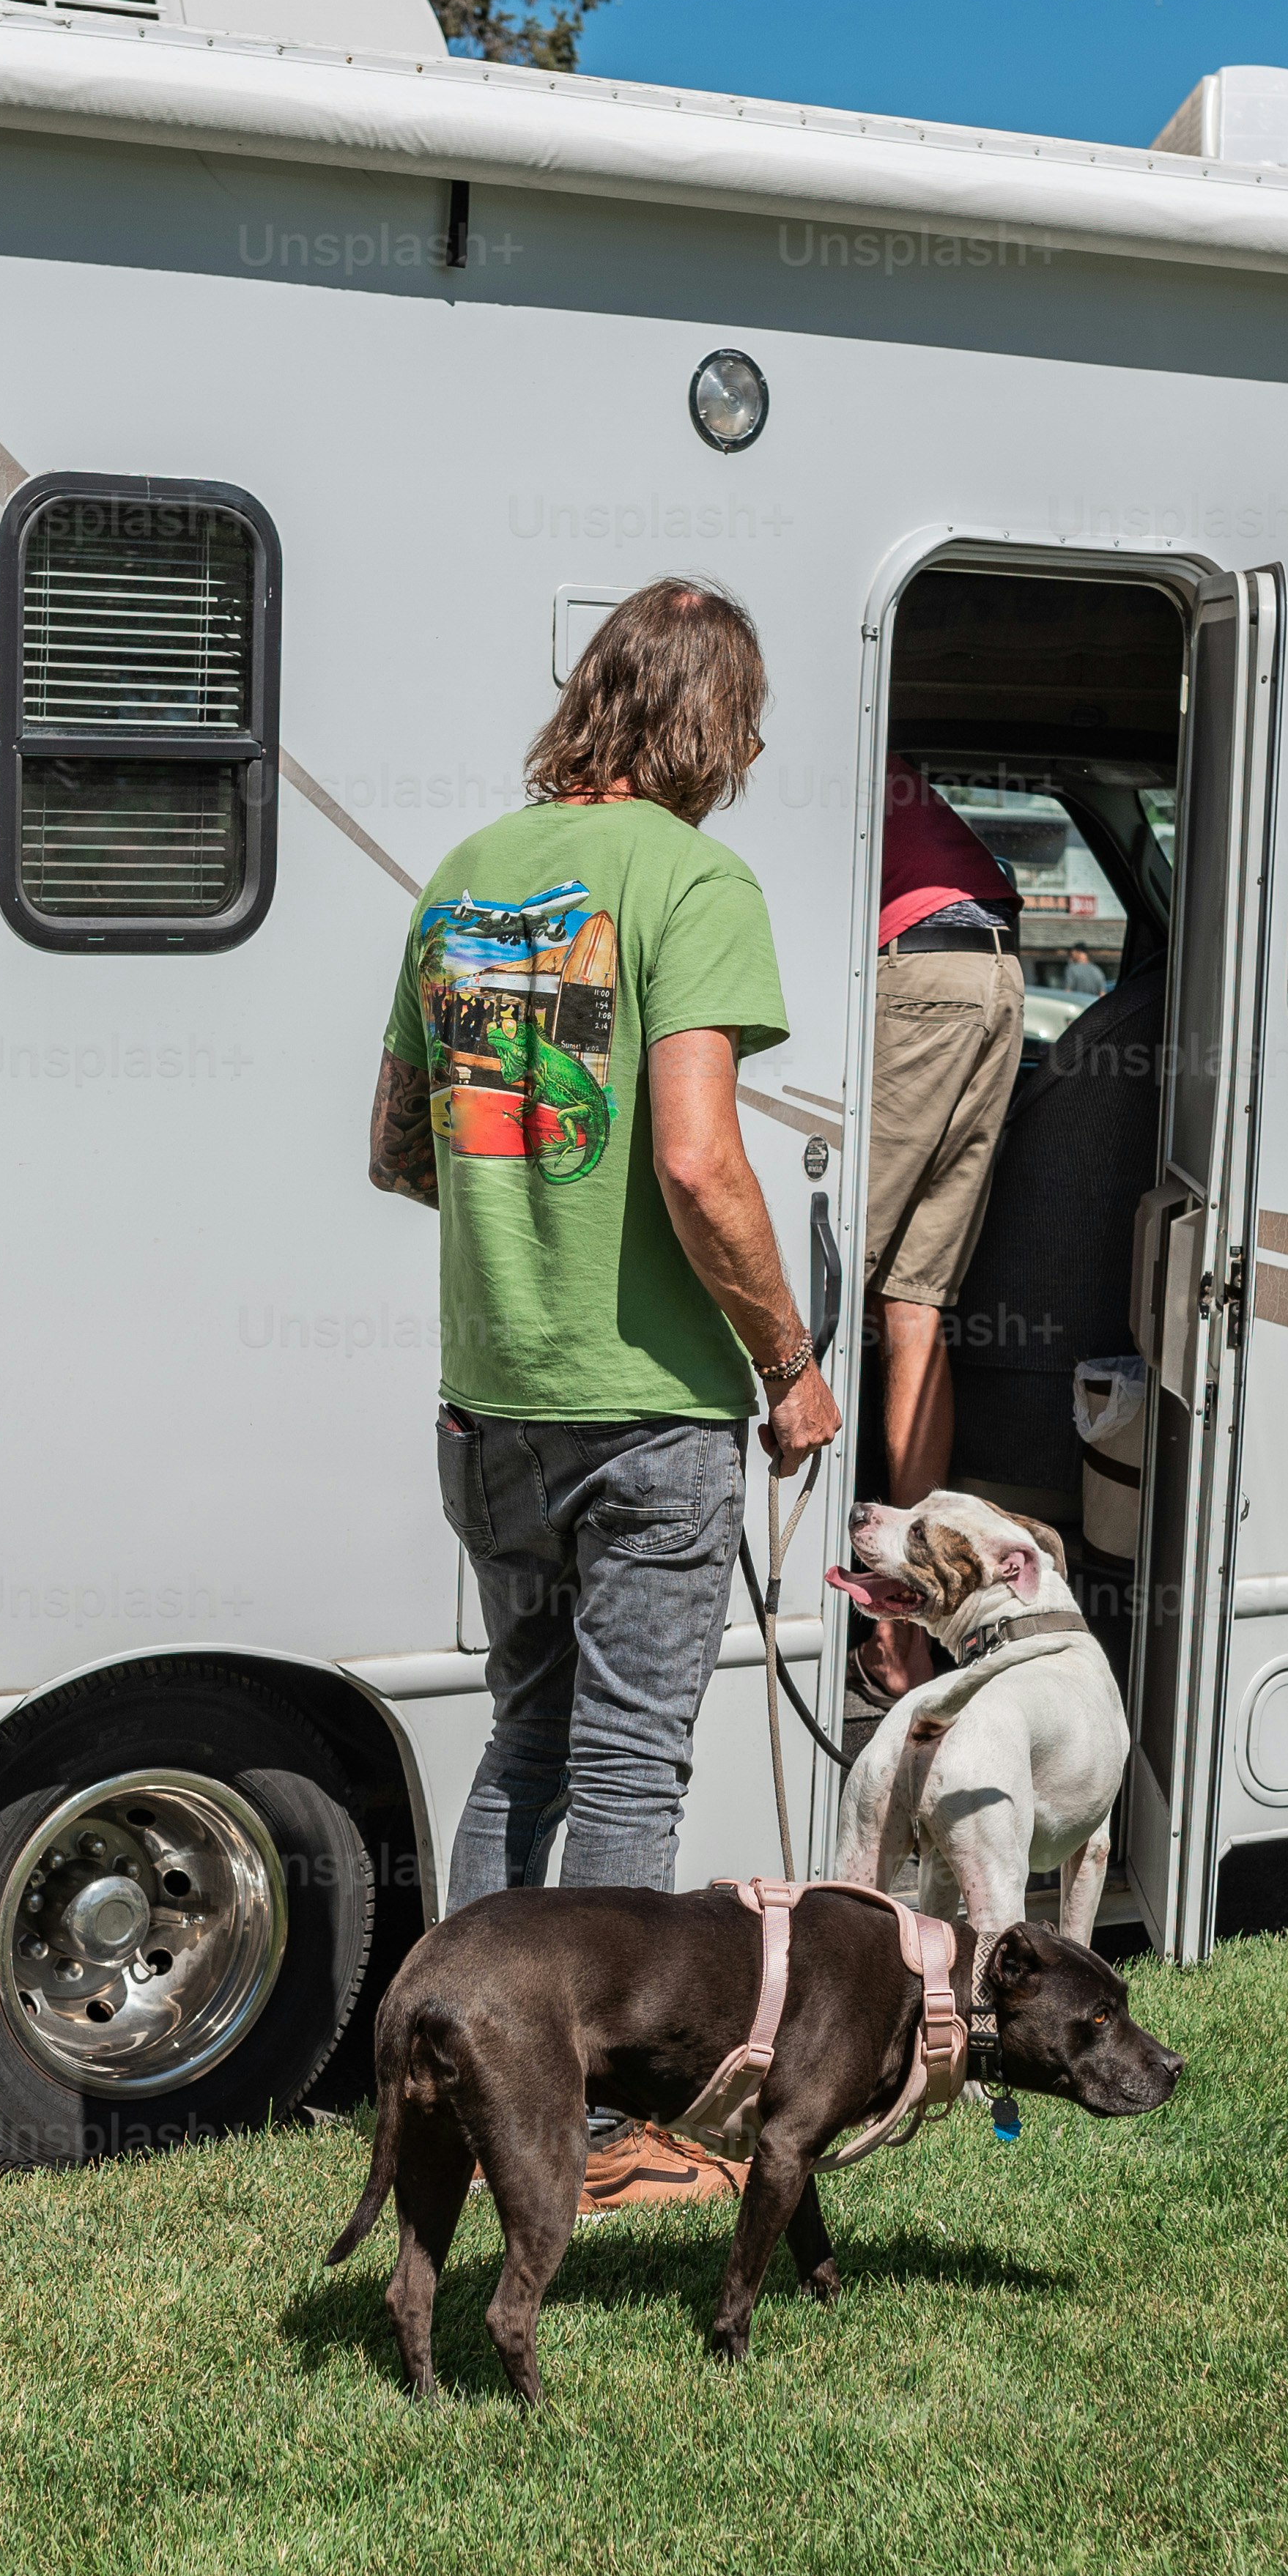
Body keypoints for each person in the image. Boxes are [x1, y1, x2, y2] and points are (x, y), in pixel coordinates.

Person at [371, 579, 845, 1969]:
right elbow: (700, 1163)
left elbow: (402, 1146)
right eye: (745, 728)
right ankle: (588, 2105)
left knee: (527, 1736)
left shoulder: (463, 874)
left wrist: (525, 1203)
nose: (748, 759)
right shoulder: (696, 883)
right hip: (645, 1413)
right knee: (630, 1764)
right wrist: (792, 1367)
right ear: (715, 724)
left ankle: (454, 2056)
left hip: (490, 1402)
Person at [857, 759, 1032, 1692]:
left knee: (832, 1278)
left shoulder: (771, 733)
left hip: (921, 965)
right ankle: (907, 1628)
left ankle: (844, 1599)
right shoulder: (893, 771)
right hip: (996, 963)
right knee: (913, 1303)